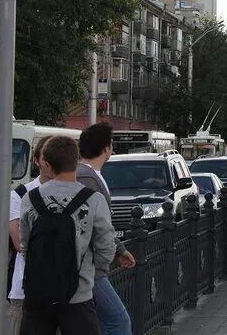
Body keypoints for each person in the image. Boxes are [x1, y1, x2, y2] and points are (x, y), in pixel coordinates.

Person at [19, 136, 116, 335]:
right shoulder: (94, 200)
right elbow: (106, 247)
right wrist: (92, 271)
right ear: (77, 159)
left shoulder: (31, 198)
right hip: (78, 296)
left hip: (38, 296)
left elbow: (25, 245)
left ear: (46, 163)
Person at [78, 122, 135, 335]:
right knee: (119, 321)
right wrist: (104, 262)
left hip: (84, 264)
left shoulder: (85, 174)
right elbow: (95, 226)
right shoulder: (87, 178)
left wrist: (119, 250)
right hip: (89, 267)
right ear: (105, 149)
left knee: (99, 323)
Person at [7, 136, 53, 335]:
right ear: (36, 160)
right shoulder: (20, 194)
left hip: (67, 292)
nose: (51, 163)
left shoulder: (77, 194)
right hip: (26, 289)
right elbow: (19, 242)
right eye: (46, 157)